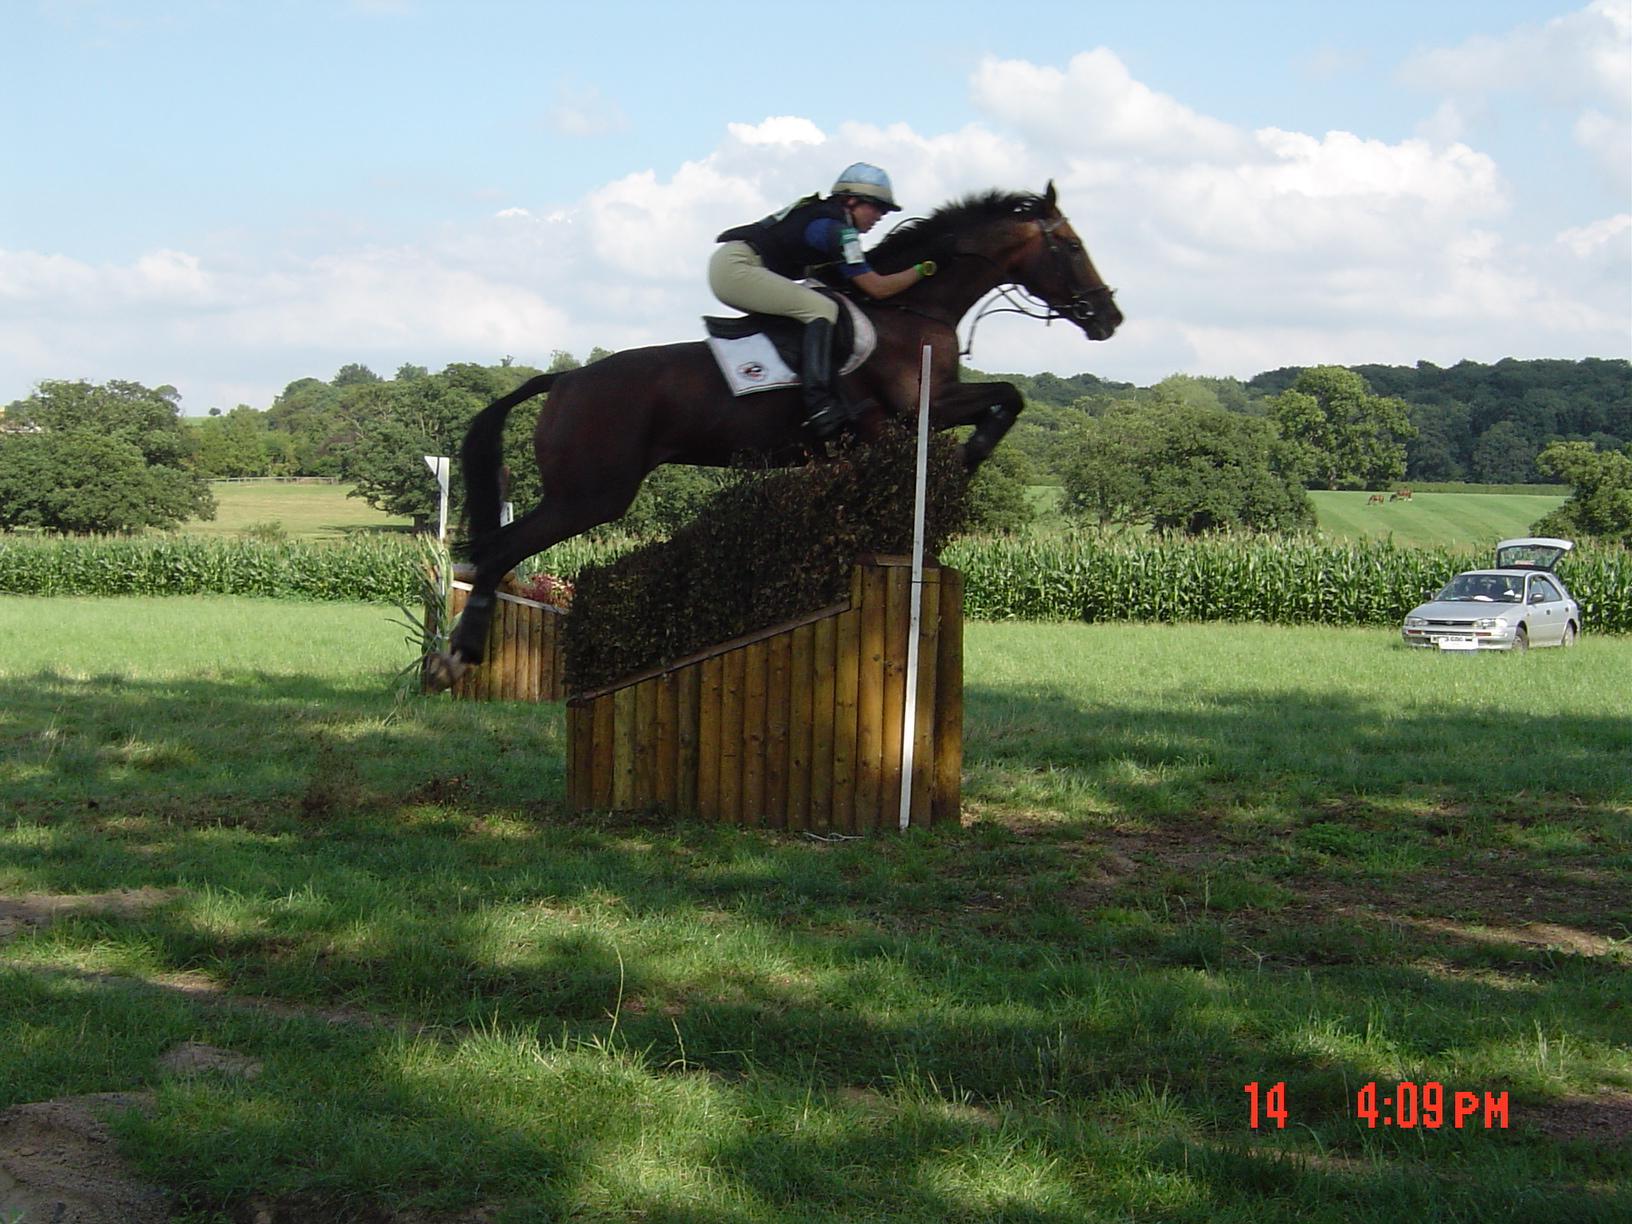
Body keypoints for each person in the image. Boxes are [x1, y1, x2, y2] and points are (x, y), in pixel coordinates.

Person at [710, 163, 934, 440]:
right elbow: (878, 289)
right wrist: (925, 269)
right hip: (737, 268)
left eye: (884, 211)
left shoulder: (827, 220)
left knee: (814, 305)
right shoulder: (839, 231)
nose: (880, 216)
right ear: (852, 201)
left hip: (737, 264)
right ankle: (819, 404)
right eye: (877, 207)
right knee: (821, 308)